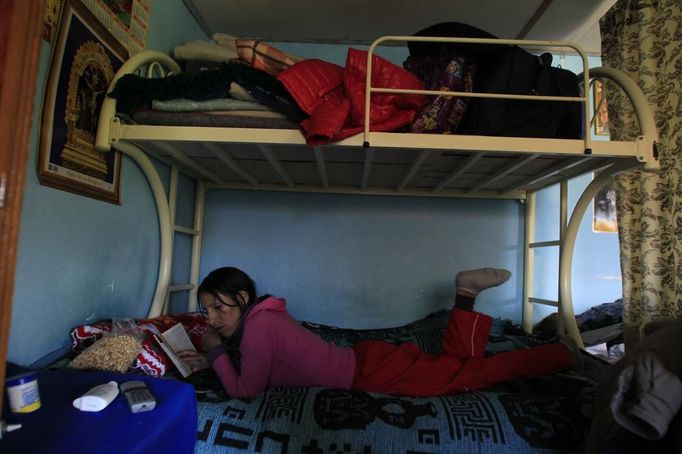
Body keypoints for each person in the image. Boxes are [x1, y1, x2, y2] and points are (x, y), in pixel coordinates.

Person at [178, 267, 579, 398]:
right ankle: (466, 295)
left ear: (243, 297)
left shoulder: (259, 327)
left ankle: (560, 355)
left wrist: (214, 350)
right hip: (367, 359)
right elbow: (260, 363)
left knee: (469, 374)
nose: (212, 318)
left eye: (219, 307)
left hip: (370, 372)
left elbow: (247, 391)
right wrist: (218, 357)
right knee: (459, 369)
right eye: (206, 310)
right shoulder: (263, 317)